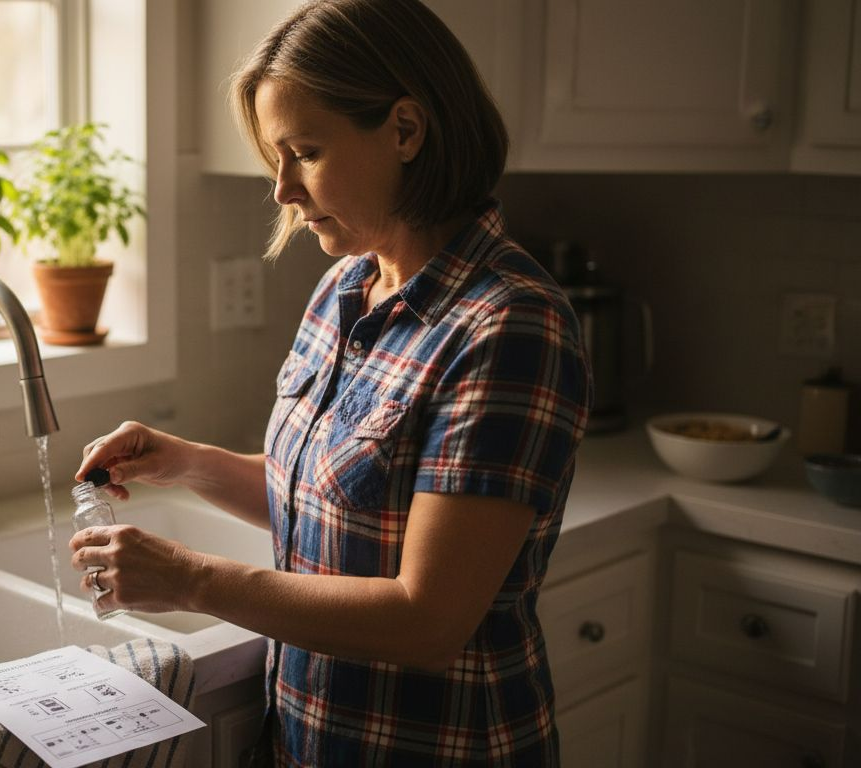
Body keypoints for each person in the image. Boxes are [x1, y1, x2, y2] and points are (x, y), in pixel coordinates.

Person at [68, 1, 591, 764]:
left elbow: (426, 619)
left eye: (304, 152)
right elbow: (332, 507)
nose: (282, 189)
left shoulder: (509, 326)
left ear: (406, 131)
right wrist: (184, 463)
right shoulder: (347, 287)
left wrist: (189, 579)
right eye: (275, 158)